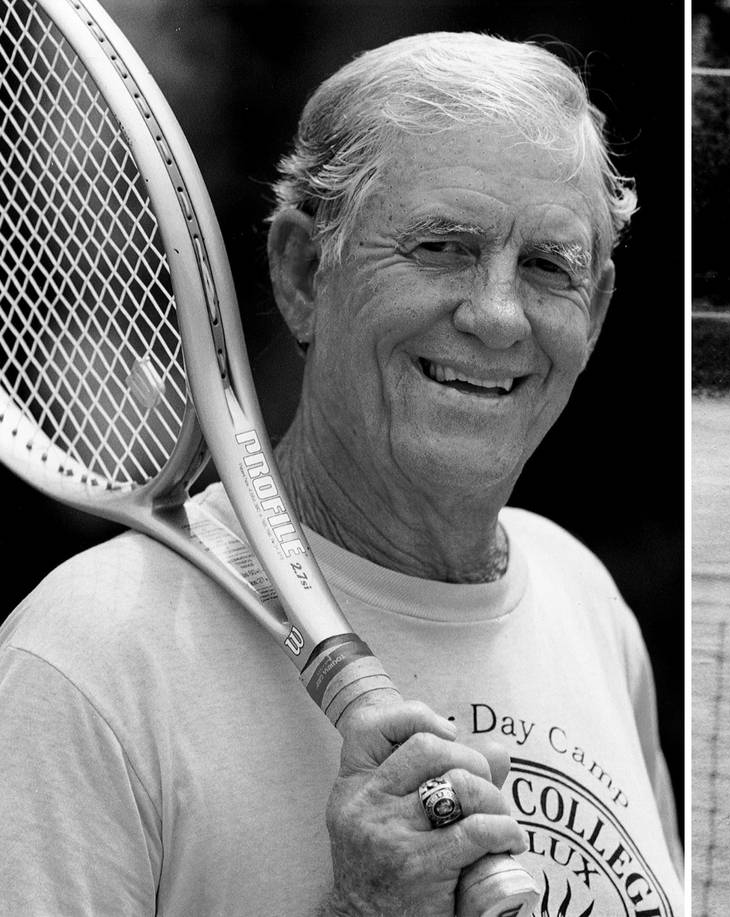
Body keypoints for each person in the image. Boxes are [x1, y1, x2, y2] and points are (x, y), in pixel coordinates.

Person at [0, 32, 681, 916]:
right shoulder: (84, 659)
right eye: (443, 246)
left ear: (595, 310)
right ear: (303, 271)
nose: (499, 315)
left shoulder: (584, 597)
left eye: (549, 268)